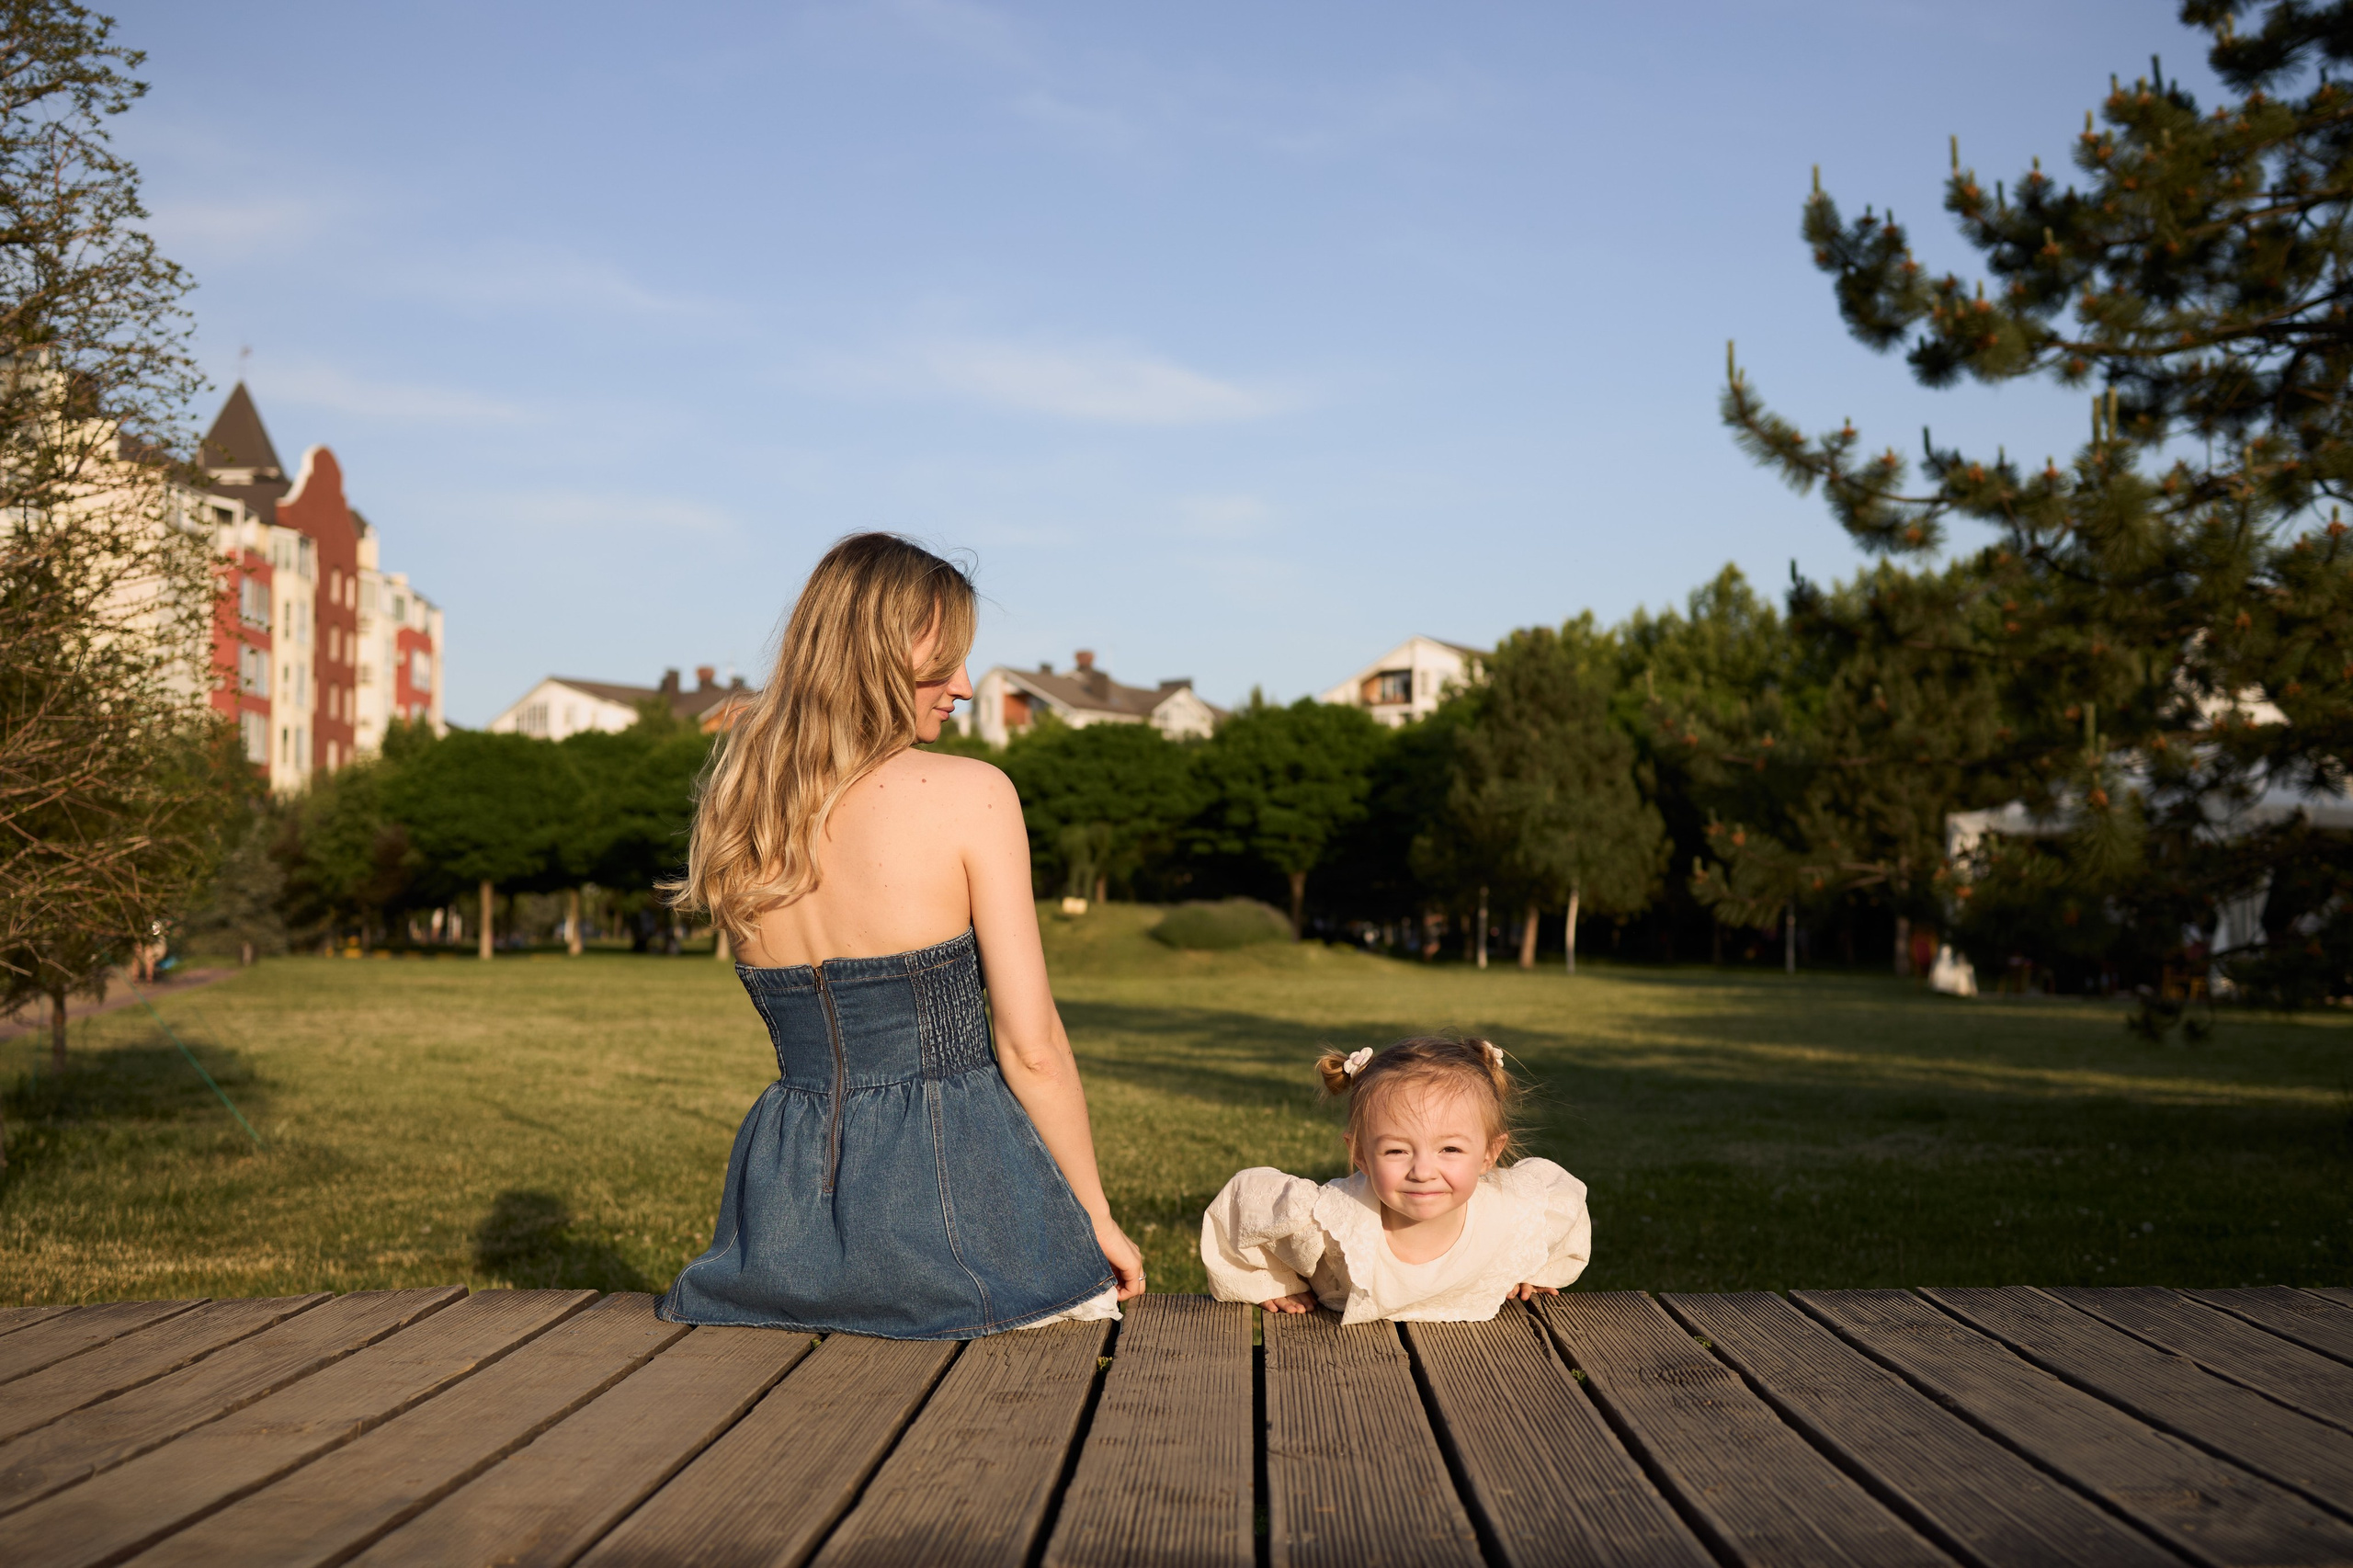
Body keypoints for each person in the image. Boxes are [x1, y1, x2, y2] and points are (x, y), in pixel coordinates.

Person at [659, 532, 1145, 1338]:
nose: (960, 686)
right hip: (959, 1221)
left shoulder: (741, 808)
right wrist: (1091, 1215)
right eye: (941, 662)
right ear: (874, 656)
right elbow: (1031, 1048)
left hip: (778, 1230)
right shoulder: (973, 793)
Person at [1200, 1037, 1588, 1324]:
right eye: (1396, 1151)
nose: (1422, 1171)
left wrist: (1531, 1269)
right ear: (1361, 1155)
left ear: (1489, 1154)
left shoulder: (1515, 1213)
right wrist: (1276, 1281)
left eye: (1449, 1150)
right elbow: (1242, 1213)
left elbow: (1563, 1214)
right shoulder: (1330, 1224)